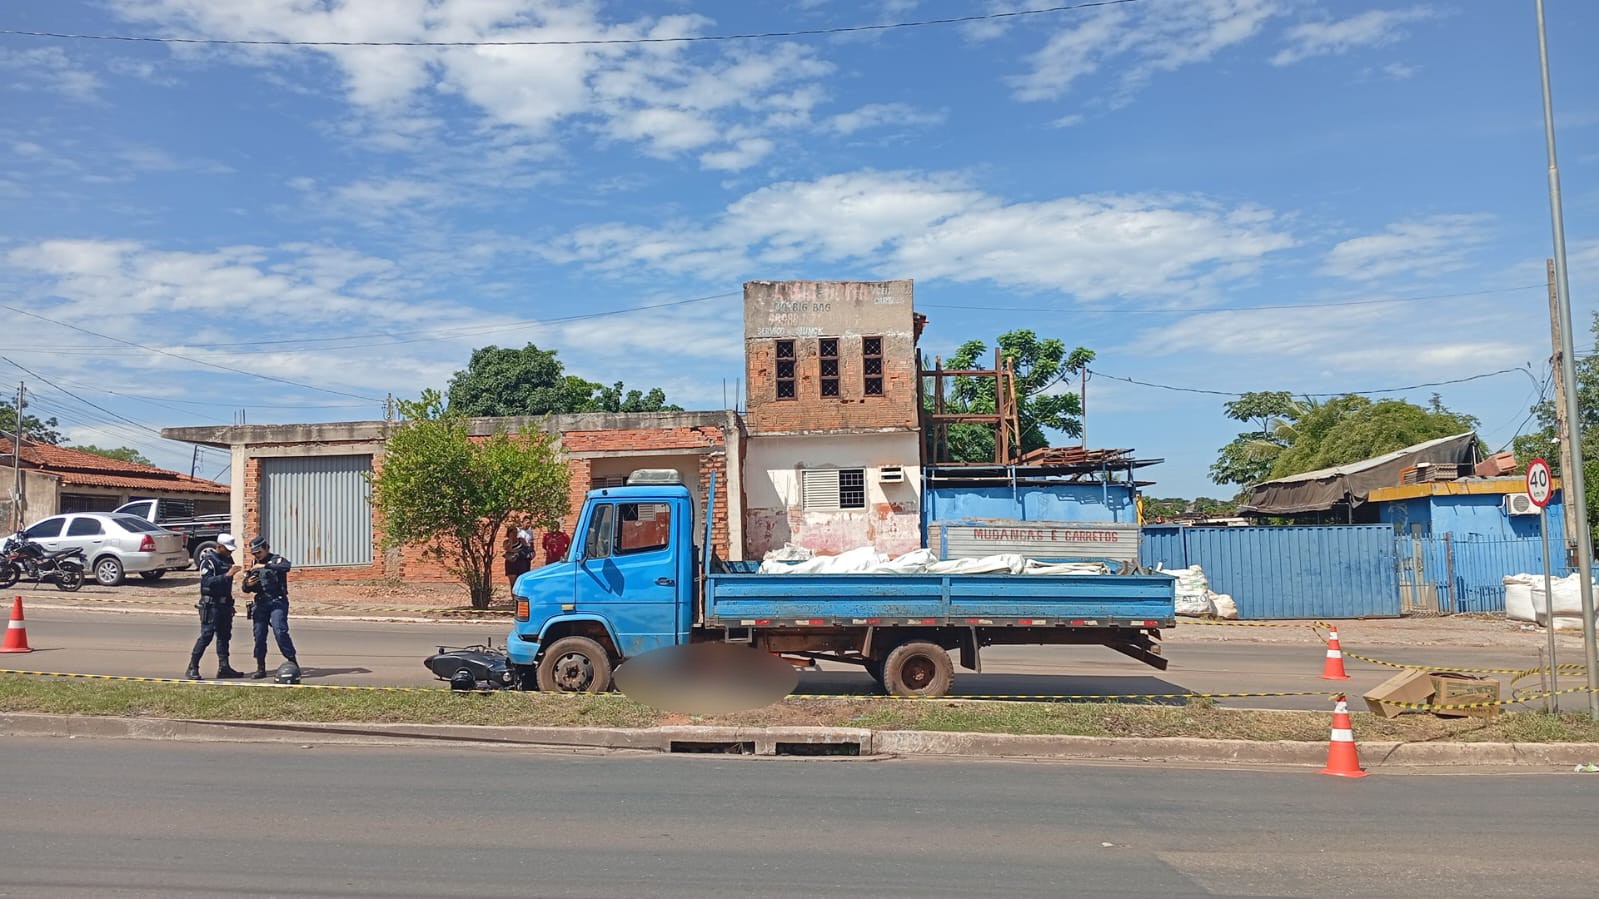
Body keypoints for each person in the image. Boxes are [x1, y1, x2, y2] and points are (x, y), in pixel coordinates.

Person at [187, 533, 245, 680]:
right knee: (206, 635)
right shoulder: (209, 561)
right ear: (219, 547)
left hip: (224, 604)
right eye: (227, 549)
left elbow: (227, 585)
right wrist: (227, 575)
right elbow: (207, 582)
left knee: (224, 636)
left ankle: (224, 667)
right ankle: (192, 667)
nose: (230, 552)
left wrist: (230, 603)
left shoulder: (228, 559)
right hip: (211, 604)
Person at [242, 535, 298, 679]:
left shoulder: (276, 560)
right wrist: (248, 583)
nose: (257, 556)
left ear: (266, 548)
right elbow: (245, 587)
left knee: (280, 630)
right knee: (259, 634)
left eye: (259, 552)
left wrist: (265, 566)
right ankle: (260, 667)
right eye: (254, 553)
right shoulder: (254, 563)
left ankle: (292, 661)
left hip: (277, 601)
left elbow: (287, 566)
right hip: (261, 602)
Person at [502, 516, 534, 591]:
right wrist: (510, 539)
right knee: (513, 583)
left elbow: (527, 548)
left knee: (520, 582)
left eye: (515, 532)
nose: (514, 534)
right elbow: (508, 549)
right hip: (511, 562)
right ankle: (514, 599)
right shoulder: (506, 542)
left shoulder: (521, 540)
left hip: (521, 561)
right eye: (512, 532)